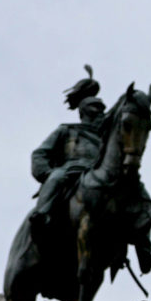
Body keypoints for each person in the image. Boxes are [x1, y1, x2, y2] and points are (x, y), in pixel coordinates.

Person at [29, 66, 106, 235]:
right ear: (84, 111)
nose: (101, 112)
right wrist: (47, 173)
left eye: (102, 108)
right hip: (71, 171)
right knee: (56, 177)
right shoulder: (67, 130)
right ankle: (41, 214)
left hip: (99, 173)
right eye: (95, 107)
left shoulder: (106, 137)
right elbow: (40, 154)